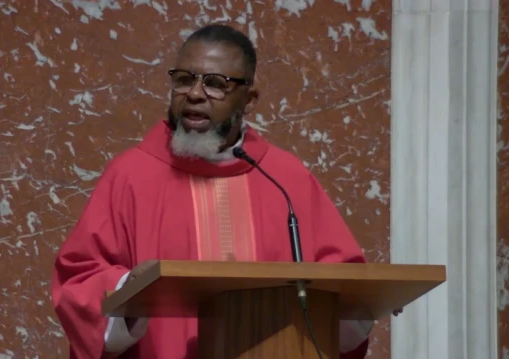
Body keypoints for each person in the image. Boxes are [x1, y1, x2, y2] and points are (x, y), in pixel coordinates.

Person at [52, 24, 374, 359]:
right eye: (183, 79)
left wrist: (344, 307)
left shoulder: (286, 179)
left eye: (215, 84)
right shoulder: (131, 175)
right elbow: (80, 276)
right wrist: (127, 289)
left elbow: (344, 285)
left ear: (249, 99)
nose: (194, 93)